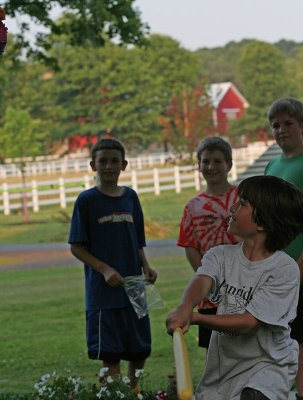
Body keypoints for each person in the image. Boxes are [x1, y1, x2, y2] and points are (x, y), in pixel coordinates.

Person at [166, 175, 303, 400]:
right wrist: (185, 306)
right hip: (224, 369)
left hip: (267, 368)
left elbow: (248, 323)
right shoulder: (220, 255)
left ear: (262, 223)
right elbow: (202, 280)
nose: (232, 208)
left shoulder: (284, 269)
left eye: (242, 204)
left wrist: (195, 317)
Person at [68, 138, 157, 387]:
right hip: (103, 294)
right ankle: (111, 394)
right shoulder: (86, 201)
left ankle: (133, 391)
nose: (109, 166)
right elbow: (76, 247)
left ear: (124, 165)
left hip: (134, 288)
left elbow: (137, 240)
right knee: (110, 355)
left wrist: (146, 266)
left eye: (114, 161)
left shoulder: (131, 197)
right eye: (103, 161)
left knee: (139, 351)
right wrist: (104, 269)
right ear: (92, 165)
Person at [177, 136, 239, 350]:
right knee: (216, 355)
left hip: (246, 287)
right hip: (211, 295)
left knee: (247, 350)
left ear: (229, 165)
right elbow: (190, 247)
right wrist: (209, 280)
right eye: (205, 161)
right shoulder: (193, 206)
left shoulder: (243, 197)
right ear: (199, 165)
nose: (211, 167)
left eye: (217, 161)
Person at [265, 97, 303, 400]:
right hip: (273, 267)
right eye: (275, 125)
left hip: (300, 265)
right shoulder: (272, 165)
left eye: (288, 123)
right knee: (277, 338)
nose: (281, 130)